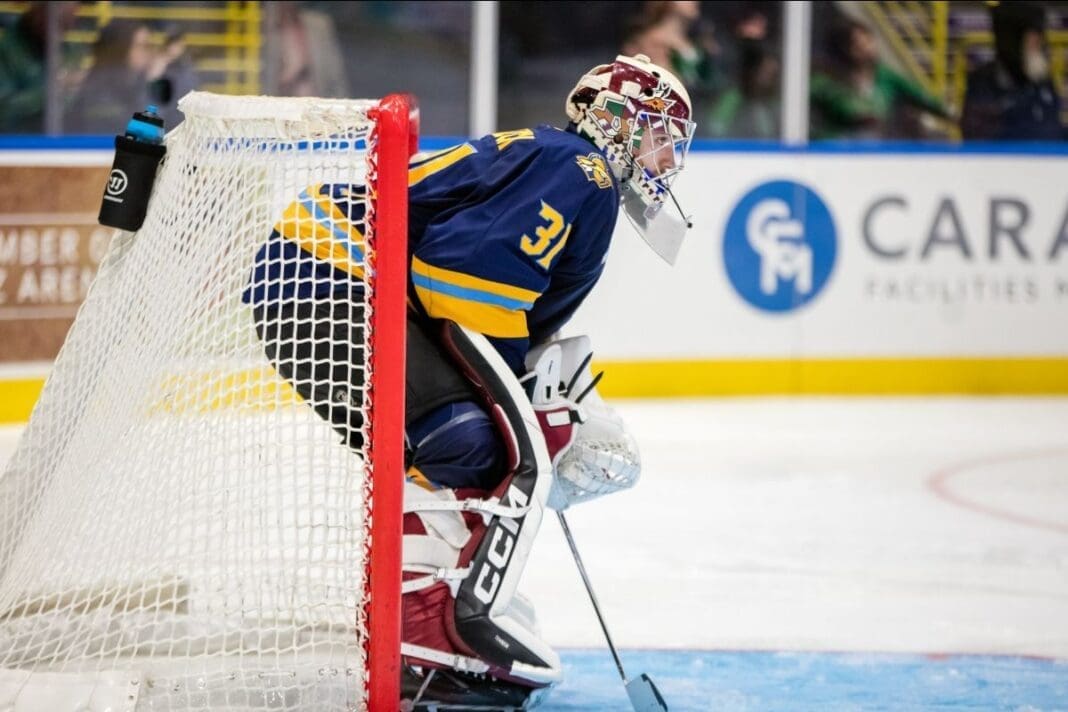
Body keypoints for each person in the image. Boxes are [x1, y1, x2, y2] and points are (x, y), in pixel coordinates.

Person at [241, 54, 695, 708]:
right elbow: (462, 282)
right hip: (329, 273)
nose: (669, 159)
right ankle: (426, 631)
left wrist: (546, 399)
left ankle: (447, 597)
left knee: (471, 442)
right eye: (662, 137)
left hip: (325, 276)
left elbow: (482, 303)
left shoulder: (572, 171)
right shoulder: (584, 172)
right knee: (469, 440)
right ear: (620, 120)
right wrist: (525, 415)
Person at [810, 17, 952, 140]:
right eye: (858, 45)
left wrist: (950, 114)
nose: (867, 48)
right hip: (837, 149)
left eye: (868, 41)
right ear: (843, 50)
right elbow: (843, 105)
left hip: (876, 147)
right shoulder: (826, 79)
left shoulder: (885, 76)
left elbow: (921, 97)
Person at [961, 1, 1065, 141]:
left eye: (1039, 39)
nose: (1038, 46)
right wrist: (1029, 94)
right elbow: (978, 134)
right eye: (1032, 39)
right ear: (1013, 39)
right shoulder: (982, 82)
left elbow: (1053, 131)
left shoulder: (1044, 82)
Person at [65, 20, 157, 133]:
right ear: (120, 50)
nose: (149, 52)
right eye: (143, 46)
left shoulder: (140, 86)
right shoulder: (98, 93)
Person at [0, 1, 79, 133]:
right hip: (17, 145)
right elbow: (4, 108)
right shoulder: (7, 51)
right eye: (62, 21)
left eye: (69, 22)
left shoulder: (68, 51)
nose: (67, 29)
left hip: (64, 144)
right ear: (40, 12)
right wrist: (54, 90)